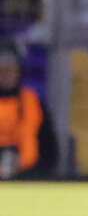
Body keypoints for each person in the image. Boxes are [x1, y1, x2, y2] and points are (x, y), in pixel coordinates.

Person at [0, 39, 57, 179]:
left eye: (10, 69)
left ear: (19, 71)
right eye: (2, 70)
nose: (6, 75)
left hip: (30, 178)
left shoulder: (32, 102)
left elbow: (49, 147)